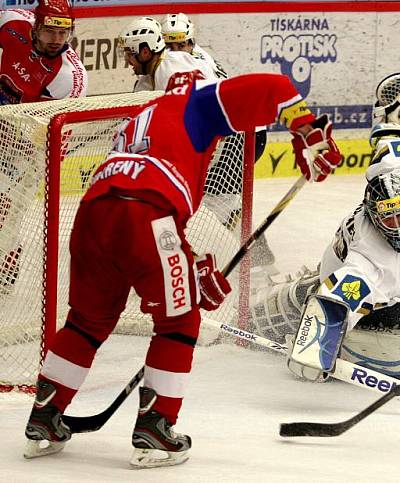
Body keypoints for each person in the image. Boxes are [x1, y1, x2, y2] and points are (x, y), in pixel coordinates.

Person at [22, 73, 343, 467]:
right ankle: (156, 429)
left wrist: (189, 266)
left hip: (93, 215)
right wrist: (308, 130)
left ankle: (45, 416)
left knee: (86, 323)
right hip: (144, 214)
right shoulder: (197, 103)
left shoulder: (144, 116)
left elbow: (143, 209)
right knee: (179, 322)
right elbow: (276, 88)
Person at [247, 73, 400, 384]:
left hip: (378, 288)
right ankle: (298, 310)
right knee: (399, 325)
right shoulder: (367, 259)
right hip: (324, 293)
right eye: (387, 218)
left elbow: (392, 150)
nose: (398, 225)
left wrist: (392, 109)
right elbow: (333, 300)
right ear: (374, 217)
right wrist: (314, 352)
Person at [160, 12, 274, 271]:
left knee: (218, 199)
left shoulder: (196, 66)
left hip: (241, 134)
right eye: (171, 45)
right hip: (236, 130)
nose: (178, 51)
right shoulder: (185, 61)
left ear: (192, 42)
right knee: (213, 197)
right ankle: (257, 257)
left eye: (183, 44)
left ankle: (257, 261)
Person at [0, 0, 87, 294]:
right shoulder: (11, 22)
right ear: (36, 27)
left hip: (29, 140)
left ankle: (7, 260)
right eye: (50, 31)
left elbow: (48, 134)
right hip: (5, 117)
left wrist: (33, 170)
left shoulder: (68, 76)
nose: (57, 40)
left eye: (63, 33)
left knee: (6, 207)